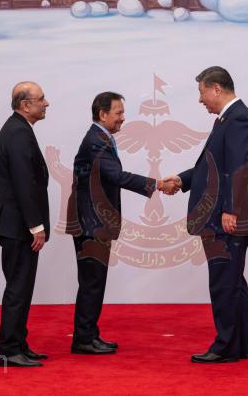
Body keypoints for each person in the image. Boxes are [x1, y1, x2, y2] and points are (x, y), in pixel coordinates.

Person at [66, 91, 176, 355]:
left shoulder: (102, 138)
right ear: (103, 114)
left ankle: (89, 335)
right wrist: (158, 184)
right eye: (119, 113)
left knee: (95, 281)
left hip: (96, 222)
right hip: (91, 223)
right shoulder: (96, 141)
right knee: (92, 282)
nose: (123, 118)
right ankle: (83, 340)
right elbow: (117, 176)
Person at [174, 66, 248, 363]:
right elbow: (213, 165)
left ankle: (225, 347)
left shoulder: (237, 119)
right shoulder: (229, 118)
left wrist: (231, 209)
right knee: (232, 281)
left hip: (226, 217)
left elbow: (239, 168)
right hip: (223, 214)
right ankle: (240, 345)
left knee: (224, 282)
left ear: (216, 88)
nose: (200, 100)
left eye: (202, 92)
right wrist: (182, 180)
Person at [0, 82, 50, 367]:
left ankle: (18, 344)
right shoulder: (18, 132)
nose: (46, 103)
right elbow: (24, 182)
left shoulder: (19, 129)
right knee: (18, 287)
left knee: (21, 286)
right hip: (18, 225)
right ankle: (9, 349)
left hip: (15, 223)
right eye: (41, 99)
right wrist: (35, 225)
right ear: (25, 105)